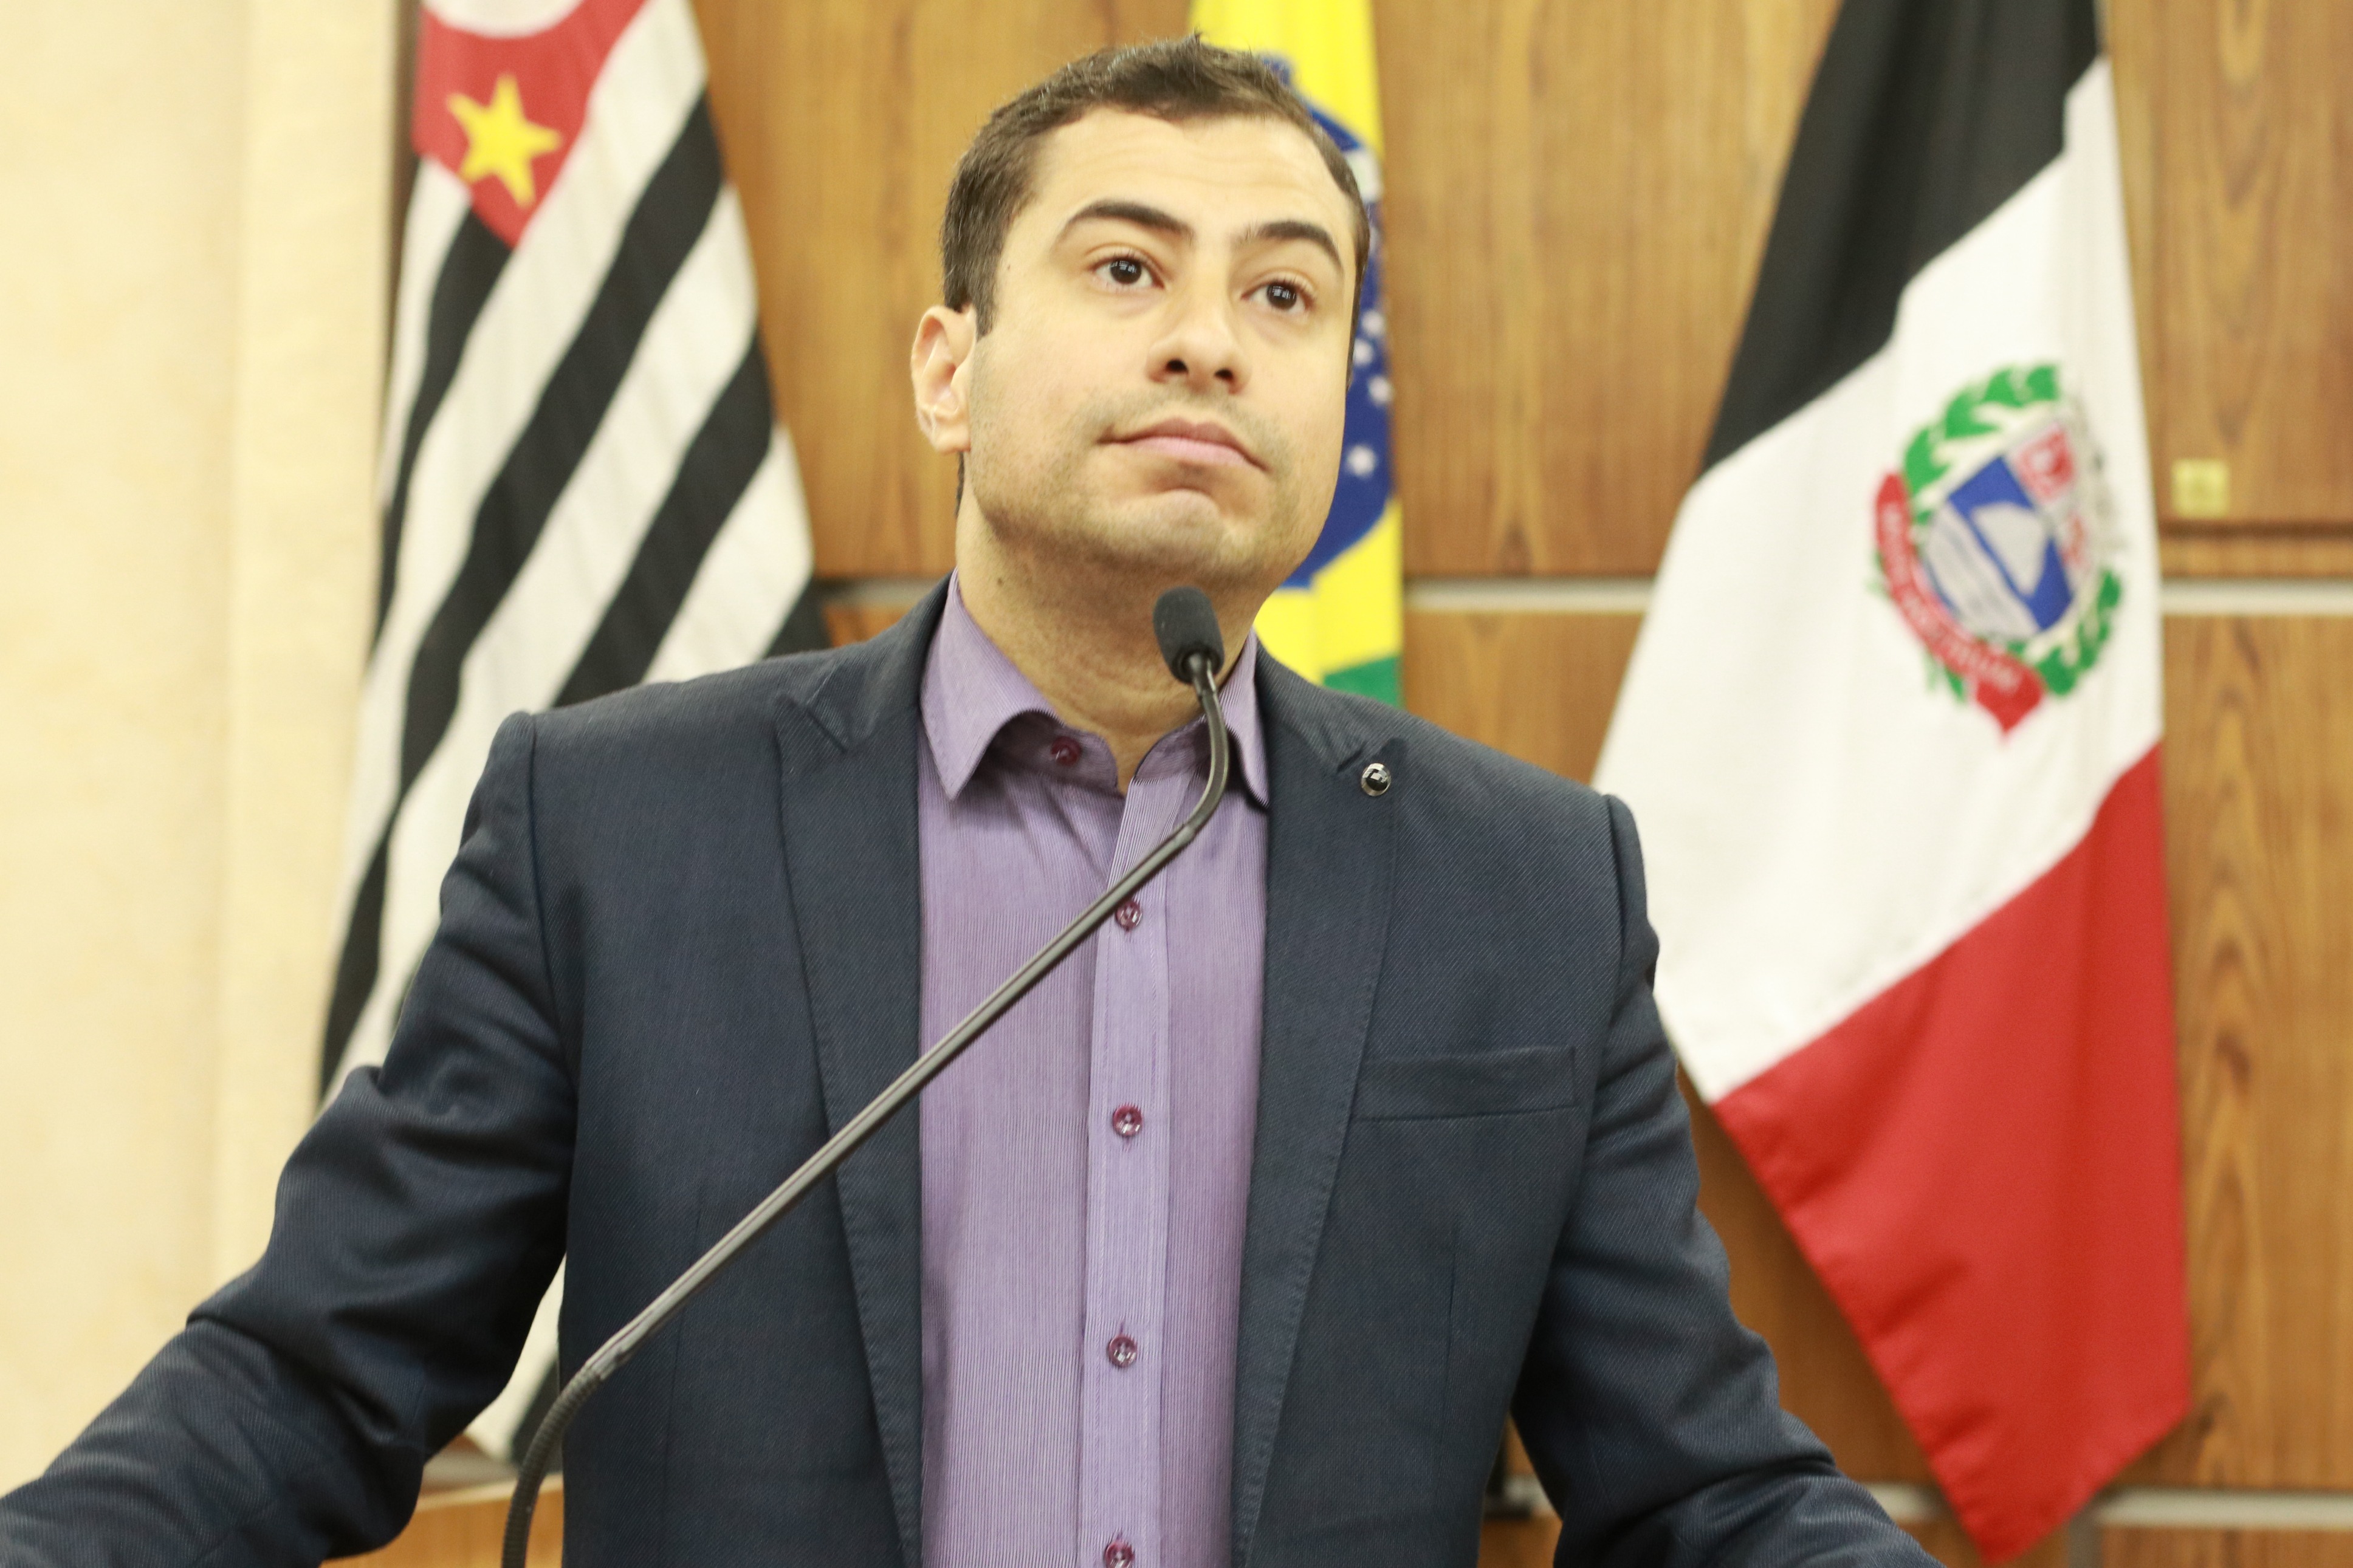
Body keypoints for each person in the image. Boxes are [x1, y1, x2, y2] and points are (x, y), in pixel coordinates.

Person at [1, 38, 1935, 1568]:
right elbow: (316, 1378)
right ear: (950, 369)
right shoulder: (615, 834)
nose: (1209, 338)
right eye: (1125, 269)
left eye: (1286, 295)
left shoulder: (1526, 887)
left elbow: (1701, 1485)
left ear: (1334, 414)